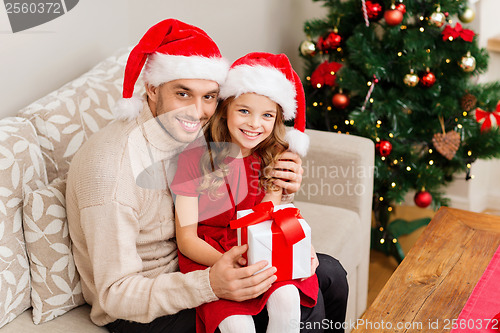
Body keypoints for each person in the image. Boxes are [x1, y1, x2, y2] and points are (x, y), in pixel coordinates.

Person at [66, 18, 348, 333]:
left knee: (331, 275)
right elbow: (114, 295)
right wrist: (212, 284)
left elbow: (242, 187)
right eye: (183, 94)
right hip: (147, 304)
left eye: (209, 96)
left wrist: (285, 207)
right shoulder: (112, 170)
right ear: (152, 89)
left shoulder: (200, 128)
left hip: (209, 254)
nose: (198, 111)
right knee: (303, 309)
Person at [171, 52, 318, 333]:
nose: (254, 124)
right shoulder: (192, 160)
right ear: (225, 108)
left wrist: (296, 245)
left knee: (288, 299)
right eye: (244, 111)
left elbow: (268, 215)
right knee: (237, 325)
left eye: (267, 115)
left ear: (277, 120)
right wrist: (228, 263)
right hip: (211, 256)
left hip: (259, 249)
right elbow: (187, 239)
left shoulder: (274, 155)